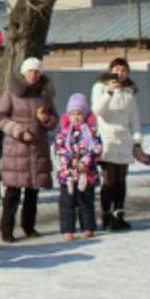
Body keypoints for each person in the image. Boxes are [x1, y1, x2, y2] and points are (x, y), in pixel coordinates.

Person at [0, 57, 59, 242]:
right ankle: (6, 230)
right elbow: (0, 118)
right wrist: (19, 131)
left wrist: (46, 119)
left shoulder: (45, 95)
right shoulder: (11, 93)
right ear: (24, 73)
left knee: (33, 192)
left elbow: (54, 120)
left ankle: (29, 226)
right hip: (16, 150)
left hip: (37, 150)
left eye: (37, 72)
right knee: (12, 194)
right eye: (31, 71)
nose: (34, 75)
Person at [90, 57, 143, 231]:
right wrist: (109, 93)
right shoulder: (100, 86)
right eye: (117, 70)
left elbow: (134, 117)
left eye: (124, 70)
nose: (120, 73)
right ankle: (106, 216)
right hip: (107, 137)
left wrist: (137, 140)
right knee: (109, 180)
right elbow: (97, 110)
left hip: (124, 138)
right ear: (110, 70)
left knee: (121, 180)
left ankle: (119, 215)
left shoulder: (130, 91)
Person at [54, 93, 102, 241]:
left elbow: (96, 149)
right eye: (73, 114)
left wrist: (84, 162)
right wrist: (69, 160)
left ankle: (87, 227)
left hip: (86, 174)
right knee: (67, 203)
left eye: (79, 114)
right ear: (68, 116)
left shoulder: (91, 132)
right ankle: (67, 229)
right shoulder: (63, 133)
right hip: (68, 174)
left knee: (85, 202)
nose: (76, 117)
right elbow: (59, 149)